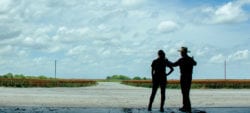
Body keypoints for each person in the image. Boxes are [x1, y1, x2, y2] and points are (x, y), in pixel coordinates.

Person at [171, 47, 197, 112]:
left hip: (183, 77)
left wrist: (167, 61)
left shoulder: (181, 60)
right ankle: (185, 106)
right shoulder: (190, 59)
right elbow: (195, 63)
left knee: (184, 92)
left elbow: (173, 64)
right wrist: (192, 59)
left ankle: (187, 107)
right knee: (186, 92)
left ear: (182, 53)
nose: (180, 53)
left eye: (181, 52)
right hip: (189, 77)